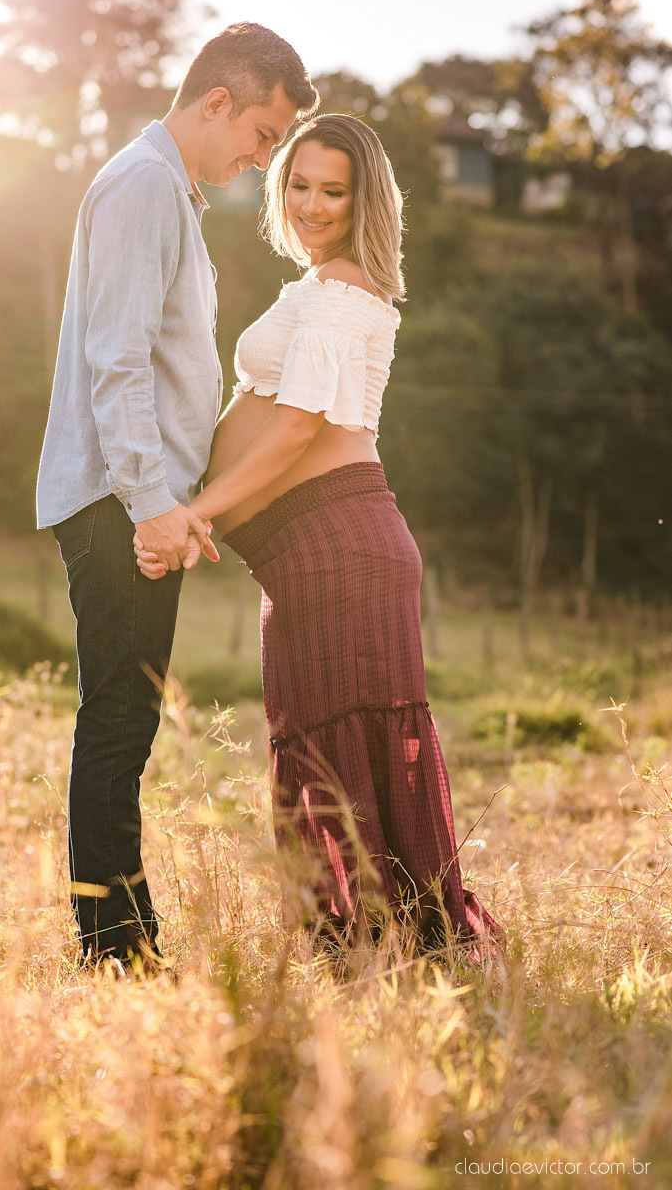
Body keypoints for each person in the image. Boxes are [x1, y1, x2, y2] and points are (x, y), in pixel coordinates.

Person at [136, 114, 500, 952]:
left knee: (343, 766)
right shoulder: (310, 287)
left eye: (331, 190)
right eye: (297, 183)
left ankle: (398, 950)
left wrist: (200, 509)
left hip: (341, 550)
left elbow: (298, 429)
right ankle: (364, 949)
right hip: (307, 558)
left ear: (363, 198)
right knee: (319, 760)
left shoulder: (343, 289)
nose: (309, 203)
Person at [36, 23, 318, 971]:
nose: (263, 155)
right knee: (118, 719)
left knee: (126, 716)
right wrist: (153, 502)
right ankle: (113, 949)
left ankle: (122, 938)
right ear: (216, 104)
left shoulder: (169, 193)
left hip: (137, 499)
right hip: (123, 502)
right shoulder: (144, 186)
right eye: (265, 133)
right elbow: (115, 362)